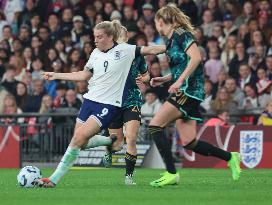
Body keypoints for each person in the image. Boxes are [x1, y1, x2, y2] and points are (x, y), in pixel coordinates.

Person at [33, 20, 143, 188]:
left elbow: (148, 68)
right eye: (95, 37)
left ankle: (128, 176)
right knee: (83, 142)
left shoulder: (130, 53)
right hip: (93, 100)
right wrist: (56, 75)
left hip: (124, 102)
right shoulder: (97, 53)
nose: (96, 40)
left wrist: (148, 77)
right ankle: (108, 141)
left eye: (99, 37)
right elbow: (84, 75)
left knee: (131, 138)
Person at [147, 5, 241, 187]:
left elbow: (196, 58)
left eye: (156, 23)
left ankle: (171, 173)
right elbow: (183, 67)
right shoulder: (172, 41)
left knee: (155, 126)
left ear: (160, 21)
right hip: (187, 89)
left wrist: (179, 82)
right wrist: (165, 79)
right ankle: (230, 157)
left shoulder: (182, 34)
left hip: (189, 90)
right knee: (189, 142)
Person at [102, 26, 150, 185]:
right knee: (117, 145)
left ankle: (129, 177)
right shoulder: (106, 55)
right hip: (114, 101)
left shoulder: (136, 54)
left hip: (132, 100)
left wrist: (143, 79)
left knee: (132, 138)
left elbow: (146, 75)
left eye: (124, 35)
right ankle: (109, 148)